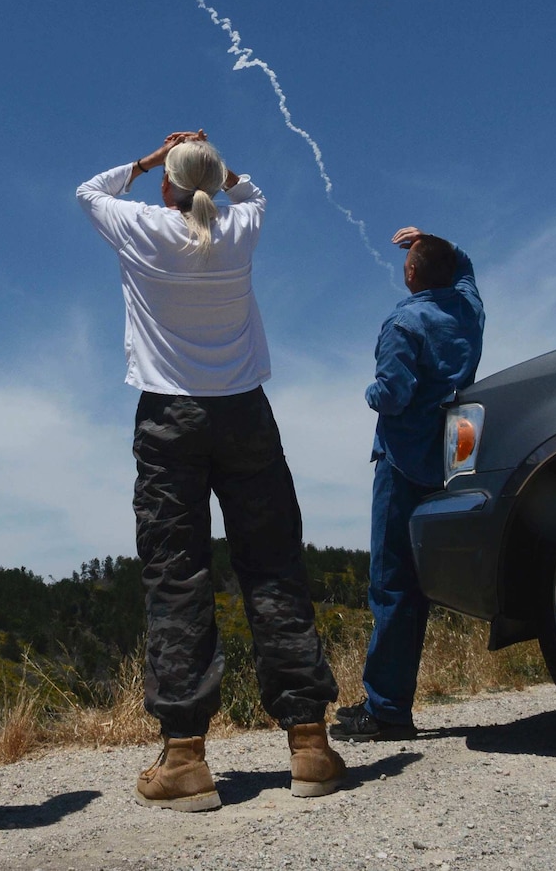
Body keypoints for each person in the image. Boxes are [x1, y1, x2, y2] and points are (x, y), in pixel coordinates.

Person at [77, 131, 345, 810]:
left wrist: (143, 158)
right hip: (246, 413)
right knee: (274, 565)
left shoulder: (141, 225)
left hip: (169, 419)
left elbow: (90, 193)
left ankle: (186, 757)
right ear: (213, 182)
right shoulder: (239, 229)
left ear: (165, 187)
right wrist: (216, 166)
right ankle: (309, 743)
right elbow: (252, 193)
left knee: (178, 576)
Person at [331, 227, 484, 743]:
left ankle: (388, 709)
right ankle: (389, 700)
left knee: (392, 584)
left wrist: (369, 392)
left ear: (411, 272)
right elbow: (464, 271)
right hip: (450, 457)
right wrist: (437, 240)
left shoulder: (403, 321)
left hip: (401, 463)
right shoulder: (467, 313)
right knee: (419, 583)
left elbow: (392, 394)